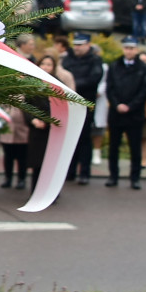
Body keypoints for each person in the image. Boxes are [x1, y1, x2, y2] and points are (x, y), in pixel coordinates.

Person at [105, 36, 146, 190]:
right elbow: (110, 88)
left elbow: (144, 90)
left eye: (132, 48)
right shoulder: (114, 66)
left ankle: (135, 178)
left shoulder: (144, 68)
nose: (129, 51)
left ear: (136, 50)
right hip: (116, 113)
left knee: (135, 148)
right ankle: (113, 176)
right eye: (126, 48)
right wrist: (117, 104)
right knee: (114, 146)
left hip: (134, 114)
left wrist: (130, 106)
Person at [61, 33, 103, 185]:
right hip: (68, 104)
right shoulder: (68, 59)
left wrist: (72, 85)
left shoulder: (95, 60)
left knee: (84, 139)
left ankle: (84, 172)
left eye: (80, 45)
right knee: (69, 139)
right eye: (75, 45)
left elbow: (93, 79)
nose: (77, 48)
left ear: (88, 45)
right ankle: (70, 171)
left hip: (85, 103)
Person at [26, 55, 57, 194]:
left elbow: (61, 107)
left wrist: (48, 121)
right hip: (36, 129)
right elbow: (26, 105)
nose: (46, 67)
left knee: (51, 163)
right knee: (37, 162)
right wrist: (33, 120)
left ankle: (51, 192)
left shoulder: (58, 84)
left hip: (53, 130)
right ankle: (35, 191)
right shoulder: (33, 83)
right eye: (43, 63)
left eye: (49, 64)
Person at [0, 106, 30, 190]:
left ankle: (21, 179)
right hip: (7, 132)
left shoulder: (26, 99)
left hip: (22, 132)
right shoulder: (6, 100)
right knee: (8, 157)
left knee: (22, 158)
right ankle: (8, 178)